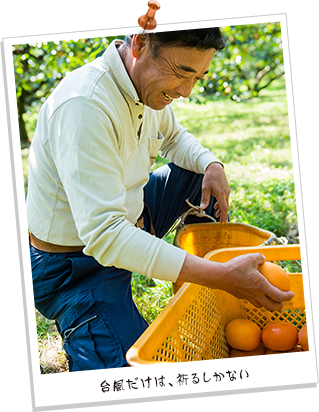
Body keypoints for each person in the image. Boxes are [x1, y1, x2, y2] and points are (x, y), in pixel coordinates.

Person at [27, 28, 294, 372]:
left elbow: (175, 138)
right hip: (76, 267)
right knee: (131, 374)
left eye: (199, 77)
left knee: (200, 175)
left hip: (131, 220)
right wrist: (220, 275)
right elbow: (105, 235)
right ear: (140, 44)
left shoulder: (147, 90)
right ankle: (87, 317)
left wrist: (212, 163)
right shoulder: (85, 105)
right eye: (182, 72)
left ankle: (192, 272)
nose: (186, 91)